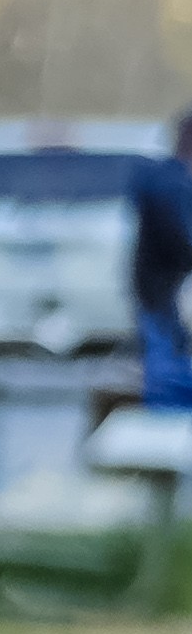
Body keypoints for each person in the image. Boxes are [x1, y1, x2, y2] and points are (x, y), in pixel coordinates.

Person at [134, 110, 192, 412]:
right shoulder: (167, 181)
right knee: (166, 377)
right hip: (162, 295)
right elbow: (179, 241)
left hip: (163, 296)